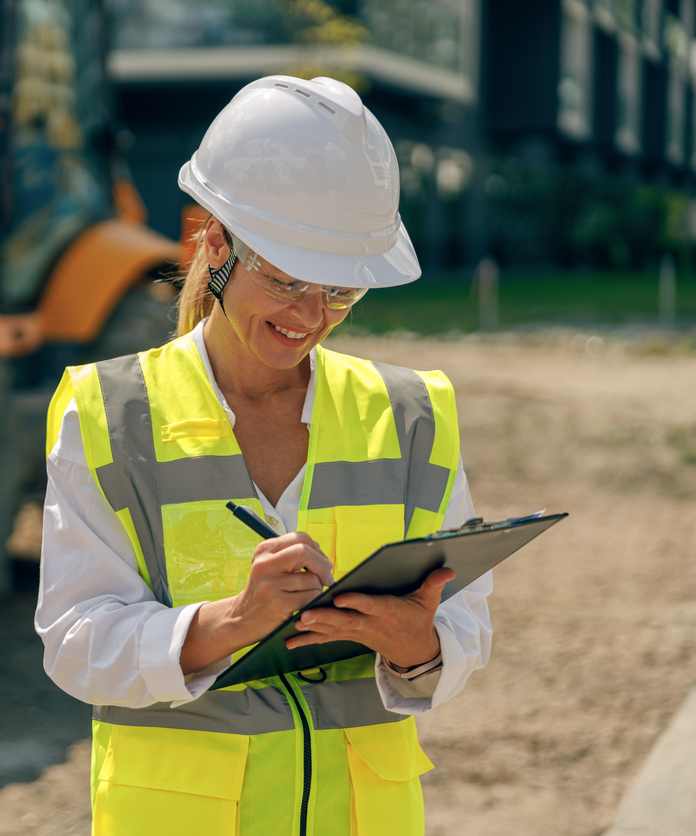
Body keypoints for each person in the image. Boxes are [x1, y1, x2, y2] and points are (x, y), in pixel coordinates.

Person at [35, 75, 492, 836]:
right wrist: (228, 622)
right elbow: (76, 642)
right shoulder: (111, 415)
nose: (311, 317)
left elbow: (466, 624)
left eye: (342, 291)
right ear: (215, 243)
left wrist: (422, 648)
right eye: (287, 281)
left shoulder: (408, 414)